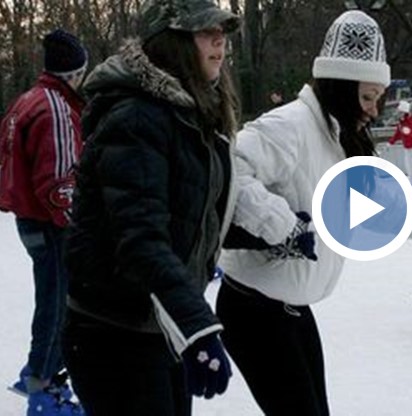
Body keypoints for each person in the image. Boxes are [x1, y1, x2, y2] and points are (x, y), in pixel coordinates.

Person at [217, 10, 412, 416]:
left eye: (378, 98)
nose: (375, 110)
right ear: (339, 87)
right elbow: (230, 171)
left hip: (291, 308)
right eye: (367, 97)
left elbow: (390, 208)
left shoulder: (342, 140)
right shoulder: (289, 126)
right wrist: (283, 226)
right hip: (254, 309)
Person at [60, 1, 246, 414]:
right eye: (205, 32)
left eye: (222, 32)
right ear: (172, 43)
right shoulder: (137, 117)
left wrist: (273, 235)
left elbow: (197, 213)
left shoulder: (193, 115)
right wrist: (197, 327)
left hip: (157, 326)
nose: (219, 40)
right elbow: (141, 238)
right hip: (112, 332)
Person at [0, 29, 87, 414]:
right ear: (75, 71)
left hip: (29, 219)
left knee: (51, 296)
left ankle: (39, 370)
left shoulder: (26, 100)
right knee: (57, 301)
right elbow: (59, 183)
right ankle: (43, 388)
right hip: (49, 224)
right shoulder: (54, 107)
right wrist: (77, 225)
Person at [388, 100, 412, 191]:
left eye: (400, 112)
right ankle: (411, 182)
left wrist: (406, 131)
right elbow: (398, 133)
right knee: (408, 164)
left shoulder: (411, 120)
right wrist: (391, 142)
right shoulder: (401, 121)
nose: (398, 114)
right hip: (407, 145)